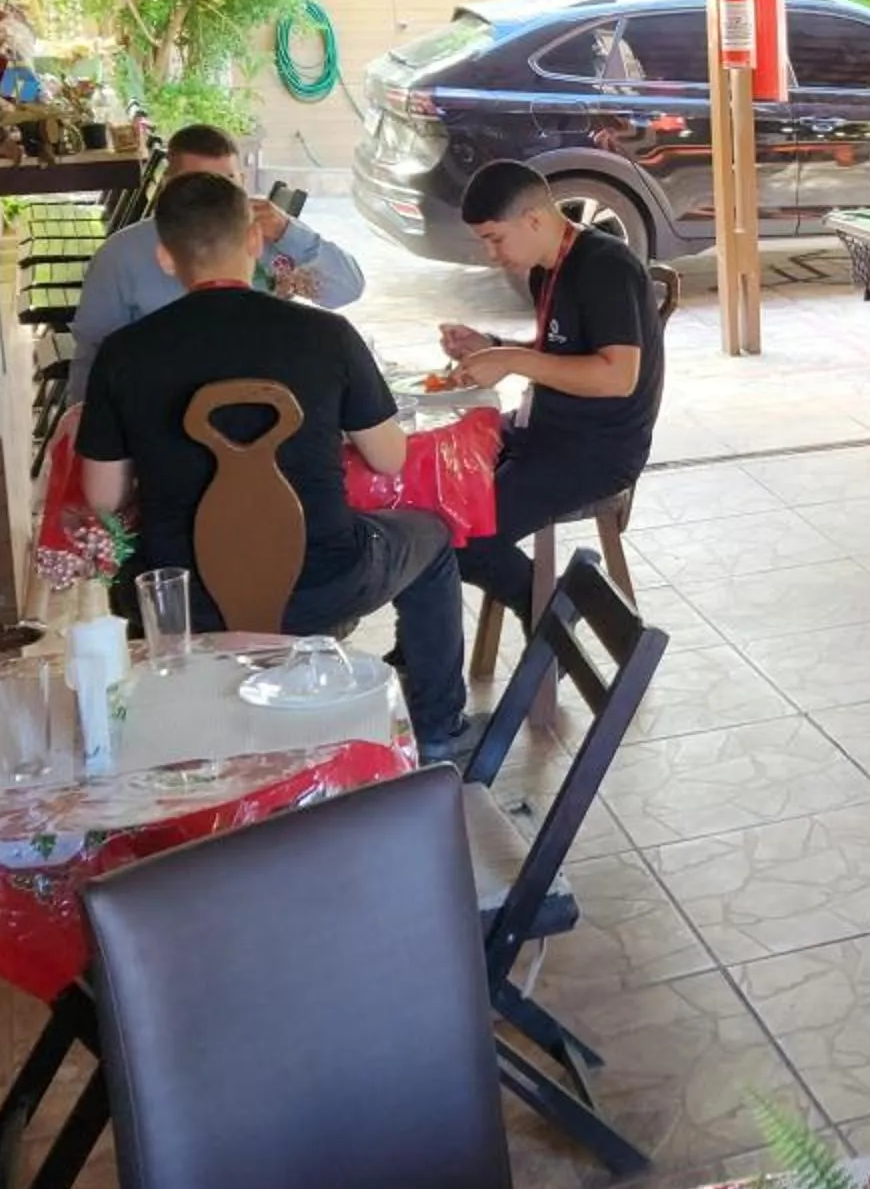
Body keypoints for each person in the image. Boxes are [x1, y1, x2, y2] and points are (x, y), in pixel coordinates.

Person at [75, 172, 471, 757]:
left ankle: (183, 736)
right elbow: (387, 456)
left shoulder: (124, 354)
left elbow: (102, 497)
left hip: (182, 603)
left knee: (143, 570)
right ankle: (438, 733)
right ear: (255, 243)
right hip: (324, 582)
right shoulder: (327, 334)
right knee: (433, 541)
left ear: (164, 257)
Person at [438, 161, 668, 617]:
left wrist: (512, 360)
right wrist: (494, 346)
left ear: (535, 220)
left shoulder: (607, 266)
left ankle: (553, 619)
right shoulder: (548, 268)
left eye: (495, 238)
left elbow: (616, 376)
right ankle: (421, 648)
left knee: (466, 535)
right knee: (439, 483)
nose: (491, 254)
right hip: (545, 427)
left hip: (597, 449)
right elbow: (561, 353)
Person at [66, 124, 366, 405]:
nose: (214, 198)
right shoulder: (122, 255)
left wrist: (290, 232)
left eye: (227, 183)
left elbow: (346, 290)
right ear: (168, 186)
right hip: (162, 408)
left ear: (243, 182)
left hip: (270, 401)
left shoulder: (267, 232)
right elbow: (94, 352)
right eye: (196, 185)